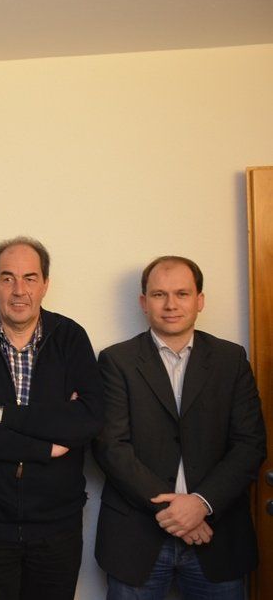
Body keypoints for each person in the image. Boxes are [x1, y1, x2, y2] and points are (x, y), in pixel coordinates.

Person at [93, 256, 266, 599]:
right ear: (143, 302)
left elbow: (250, 444)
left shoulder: (231, 360)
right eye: (159, 295)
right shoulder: (116, 361)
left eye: (182, 294)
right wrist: (175, 512)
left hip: (217, 537)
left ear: (199, 300)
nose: (170, 305)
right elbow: (111, 447)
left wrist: (201, 504)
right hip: (137, 538)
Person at [0, 236, 103, 600]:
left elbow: (89, 419)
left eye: (30, 278)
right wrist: (46, 447)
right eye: (7, 278)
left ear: (45, 284)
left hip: (56, 526)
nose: (19, 290)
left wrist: (1, 415)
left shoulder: (70, 337)